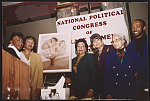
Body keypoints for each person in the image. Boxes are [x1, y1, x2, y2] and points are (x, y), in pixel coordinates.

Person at [104, 33, 143, 99]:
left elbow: (141, 73)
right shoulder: (109, 56)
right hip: (116, 91)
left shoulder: (134, 54)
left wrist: (140, 89)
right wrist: (108, 93)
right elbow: (108, 76)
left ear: (123, 41)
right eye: (113, 41)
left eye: (117, 40)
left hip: (132, 91)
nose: (114, 43)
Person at [90, 33, 114, 99]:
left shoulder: (111, 48)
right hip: (102, 85)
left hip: (113, 83)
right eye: (94, 42)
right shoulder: (95, 55)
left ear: (102, 41)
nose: (96, 42)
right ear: (93, 45)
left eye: (97, 40)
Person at [19, 35, 43, 100]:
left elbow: (40, 73)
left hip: (33, 87)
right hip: (20, 86)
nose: (31, 44)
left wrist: (39, 88)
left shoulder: (37, 56)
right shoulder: (18, 55)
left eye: (33, 42)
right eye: (29, 41)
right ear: (24, 43)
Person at [128, 19, 148, 89]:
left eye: (137, 26)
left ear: (144, 27)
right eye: (133, 27)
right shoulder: (130, 46)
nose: (134, 29)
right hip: (140, 84)